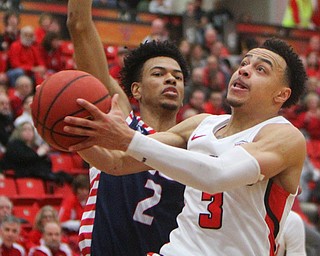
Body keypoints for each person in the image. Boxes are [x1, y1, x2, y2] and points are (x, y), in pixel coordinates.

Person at [63, 38, 308, 255]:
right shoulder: (201, 124)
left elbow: (216, 174)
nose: (244, 71)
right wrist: (71, 130)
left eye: (260, 69)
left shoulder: (285, 137)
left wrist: (129, 139)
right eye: (244, 63)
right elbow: (116, 162)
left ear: (280, 95)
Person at [67, 0, 188, 255]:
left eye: (177, 77)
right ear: (136, 90)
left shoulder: (193, 143)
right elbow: (79, 25)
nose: (170, 79)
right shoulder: (119, 119)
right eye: (158, 74)